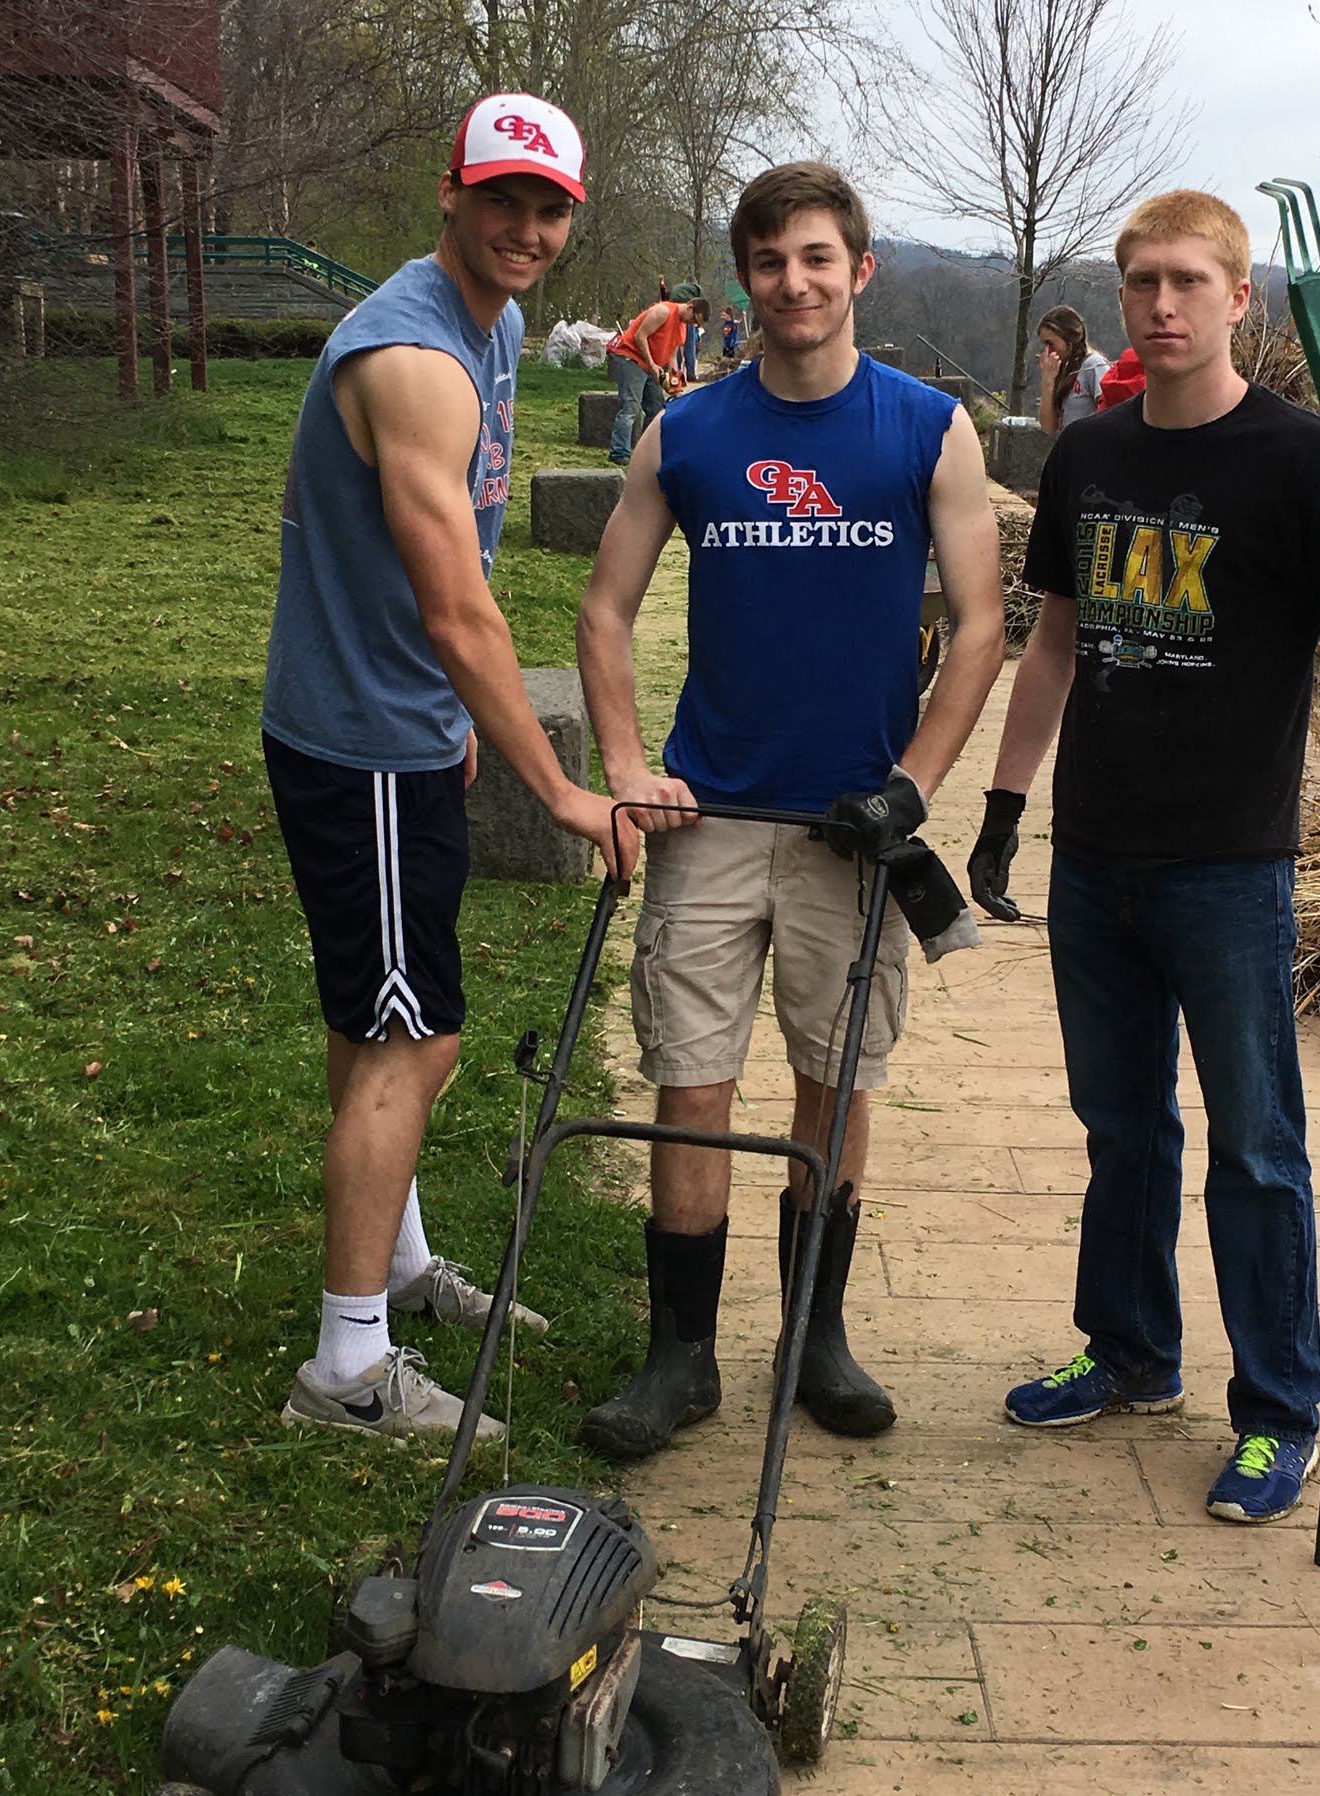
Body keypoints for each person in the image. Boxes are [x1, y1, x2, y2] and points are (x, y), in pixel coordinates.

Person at [966, 190, 1320, 1523]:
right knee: (1119, 1125)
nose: (1163, 304)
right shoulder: (1088, 455)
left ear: (1240, 298)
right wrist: (1004, 809)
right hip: (1096, 854)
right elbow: (1054, 639)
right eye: (1142, 282)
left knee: (1254, 1146)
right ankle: (1128, 1354)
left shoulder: (1300, 462)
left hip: (1230, 864)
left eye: (1189, 281)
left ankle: (1276, 1410)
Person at [574, 160, 1005, 1460]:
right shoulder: (688, 432)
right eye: (769, 262)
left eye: (817, 258)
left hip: (847, 828)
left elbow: (983, 626)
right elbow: (604, 609)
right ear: (744, 280)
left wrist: (912, 785)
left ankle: (816, 1342)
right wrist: (623, 761)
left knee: (834, 1084)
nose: (794, 283)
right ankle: (681, 1359)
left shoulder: (926, 428)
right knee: (689, 1085)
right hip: (706, 819)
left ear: (857, 271)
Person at [262, 92, 634, 1442]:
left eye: (549, 209)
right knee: (415, 1041)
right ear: (450, 194)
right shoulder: (410, 355)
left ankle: (400, 1267)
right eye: (502, 201)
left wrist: (458, 711)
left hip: (401, 725)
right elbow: (457, 609)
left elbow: (454, 553)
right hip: (360, 743)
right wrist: (558, 786)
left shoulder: (500, 326)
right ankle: (346, 1371)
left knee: (381, 1023)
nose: (525, 229)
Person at [606, 290, 710, 464]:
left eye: (696, 324)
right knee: (631, 407)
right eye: (694, 320)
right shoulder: (663, 311)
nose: (692, 324)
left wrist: (676, 386)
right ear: (690, 307)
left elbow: (671, 357)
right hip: (631, 358)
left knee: (655, 409)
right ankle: (619, 452)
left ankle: (644, 452)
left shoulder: (682, 328)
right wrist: (652, 364)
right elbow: (640, 336)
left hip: (650, 366)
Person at [1034, 304, 1110, 436]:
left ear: (1068, 338)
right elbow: (1049, 427)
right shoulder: (1064, 369)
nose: (1047, 351)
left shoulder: (1094, 365)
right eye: (1044, 345)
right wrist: (1048, 381)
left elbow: (1110, 412)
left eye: (1050, 343)